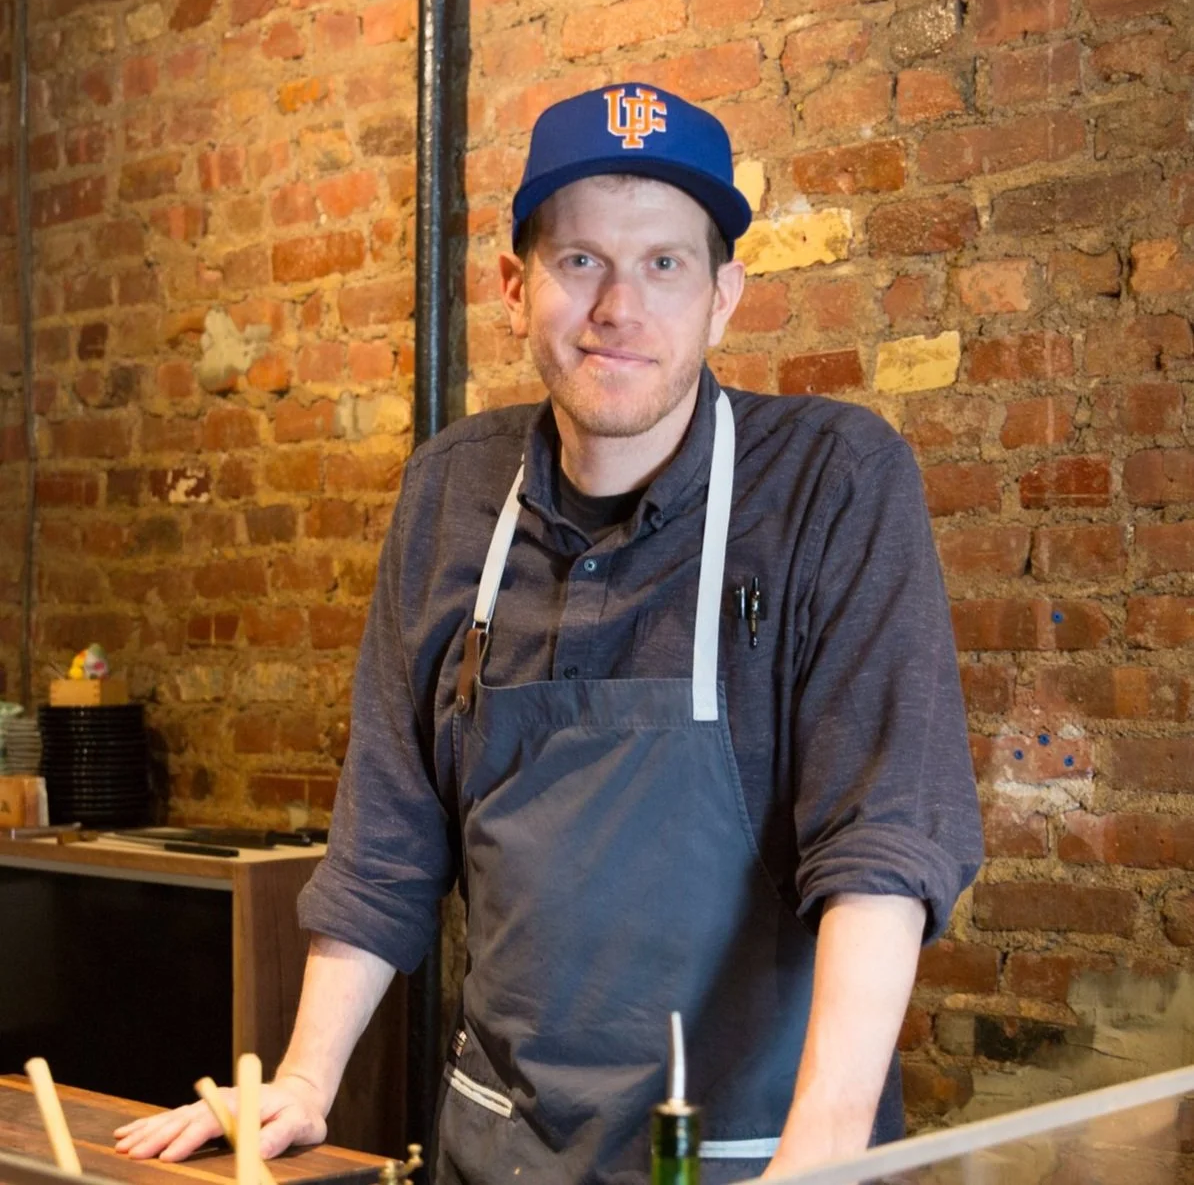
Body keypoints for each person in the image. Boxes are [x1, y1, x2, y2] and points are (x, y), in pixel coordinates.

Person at [114, 83, 983, 1183]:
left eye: (664, 264)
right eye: (581, 261)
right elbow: (388, 827)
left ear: (723, 299)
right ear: (515, 289)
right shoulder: (451, 491)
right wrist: (303, 1080)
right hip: (499, 1154)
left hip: (750, 1157)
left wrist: (818, 1159)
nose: (620, 306)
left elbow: (884, 842)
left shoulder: (831, 481)